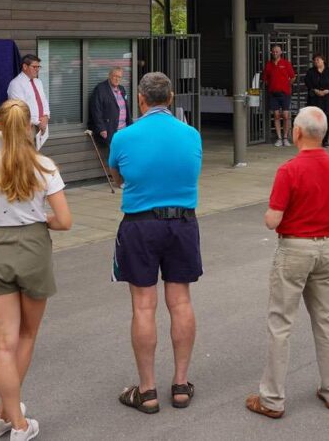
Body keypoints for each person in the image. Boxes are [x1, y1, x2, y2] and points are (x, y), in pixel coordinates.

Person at [0, 99, 72, 441]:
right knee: (26, 336)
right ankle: (18, 425)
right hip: (35, 248)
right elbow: (64, 221)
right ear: (29, 127)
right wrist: (41, 218)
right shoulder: (45, 167)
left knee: (4, 344)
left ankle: (6, 415)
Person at [245, 107, 329, 419]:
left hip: (294, 249)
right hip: (325, 248)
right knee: (326, 321)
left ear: (297, 133)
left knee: (281, 324)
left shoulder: (289, 170)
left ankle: (273, 398)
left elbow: (272, 219)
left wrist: (271, 215)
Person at [109, 72, 203, 414]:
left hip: (139, 225)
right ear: (172, 97)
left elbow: (118, 177)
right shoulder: (192, 135)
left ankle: (147, 390)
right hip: (182, 222)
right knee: (180, 302)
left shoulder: (124, 136)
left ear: (140, 98)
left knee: (143, 306)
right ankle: (180, 383)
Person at [89, 66, 133, 152]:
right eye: (115, 76)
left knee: (123, 154)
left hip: (123, 130)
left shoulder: (122, 89)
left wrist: (130, 126)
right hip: (110, 130)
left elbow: (126, 109)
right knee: (114, 156)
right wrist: (101, 128)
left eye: (119, 77)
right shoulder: (100, 89)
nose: (117, 79)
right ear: (109, 76)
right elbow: (96, 110)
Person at [7, 54, 50, 138]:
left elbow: (44, 101)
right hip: (25, 127)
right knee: (26, 151)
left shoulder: (38, 82)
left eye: (38, 67)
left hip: (41, 125)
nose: (37, 70)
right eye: (34, 67)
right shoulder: (16, 84)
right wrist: (39, 122)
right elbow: (21, 110)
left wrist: (45, 117)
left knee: (36, 150)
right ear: (25, 66)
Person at [263, 44, 296, 147]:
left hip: (285, 93)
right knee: (276, 115)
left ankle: (285, 137)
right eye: (273, 51)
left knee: (286, 116)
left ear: (281, 52)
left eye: (277, 51)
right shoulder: (268, 64)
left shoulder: (286, 63)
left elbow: (293, 77)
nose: (275, 53)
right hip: (273, 94)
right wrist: (270, 85)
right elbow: (265, 78)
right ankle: (279, 138)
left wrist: (287, 85)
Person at [304, 53, 329, 147]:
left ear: (323, 60)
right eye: (315, 60)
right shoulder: (311, 71)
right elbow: (307, 82)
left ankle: (325, 140)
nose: (316, 61)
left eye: (318, 59)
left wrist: (327, 90)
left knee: (325, 119)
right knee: (314, 120)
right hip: (315, 99)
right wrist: (315, 90)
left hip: (326, 98)